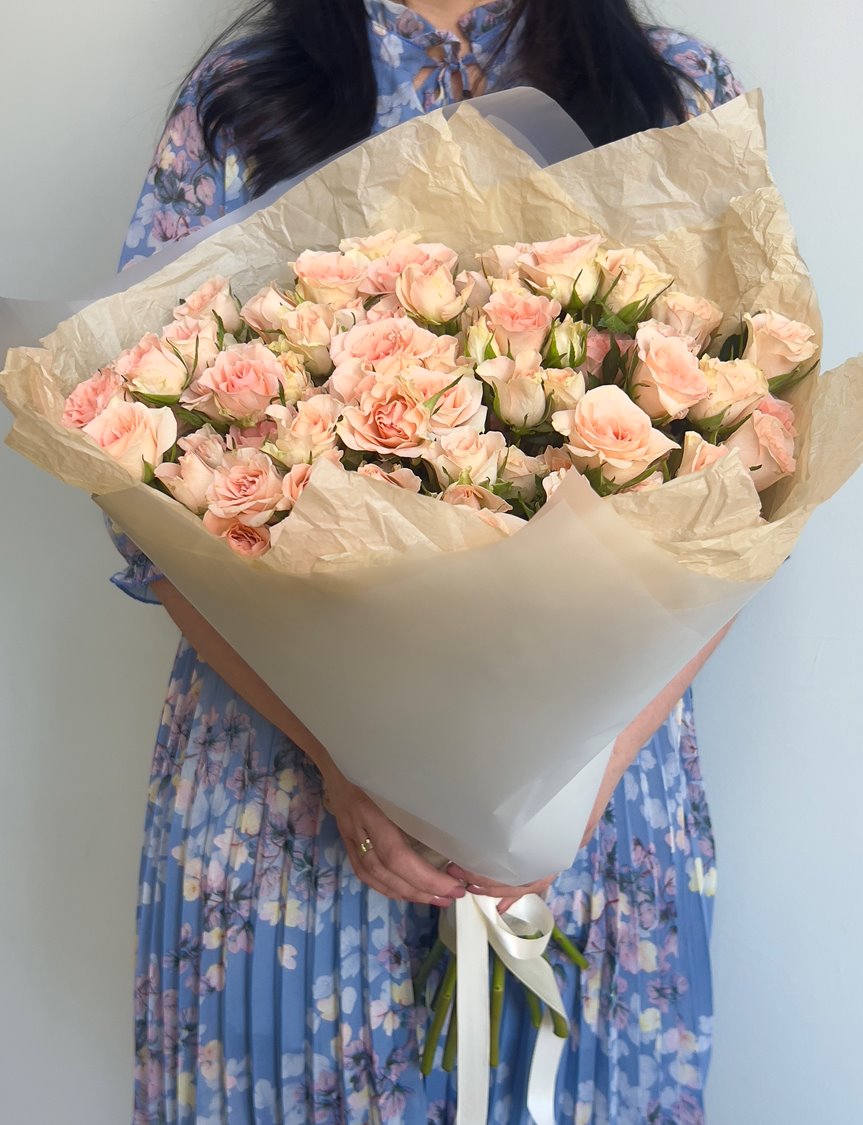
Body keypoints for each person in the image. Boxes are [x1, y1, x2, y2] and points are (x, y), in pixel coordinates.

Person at [110, 2, 742, 1121]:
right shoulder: (240, 103)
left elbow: (750, 487)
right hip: (286, 800)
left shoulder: (679, 94)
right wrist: (345, 765)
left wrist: (571, 785)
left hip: (592, 814)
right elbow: (139, 494)